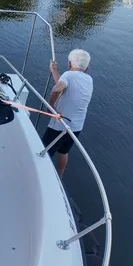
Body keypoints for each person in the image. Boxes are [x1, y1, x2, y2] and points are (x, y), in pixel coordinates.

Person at [41, 49, 93, 177]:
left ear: (69, 64)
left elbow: (57, 88)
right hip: (76, 127)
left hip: (59, 124)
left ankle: (40, 174)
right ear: (87, 68)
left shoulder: (68, 75)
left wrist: (50, 106)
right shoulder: (89, 79)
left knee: (44, 151)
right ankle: (59, 176)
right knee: (63, 151)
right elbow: (64, 86)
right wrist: (54, 72)